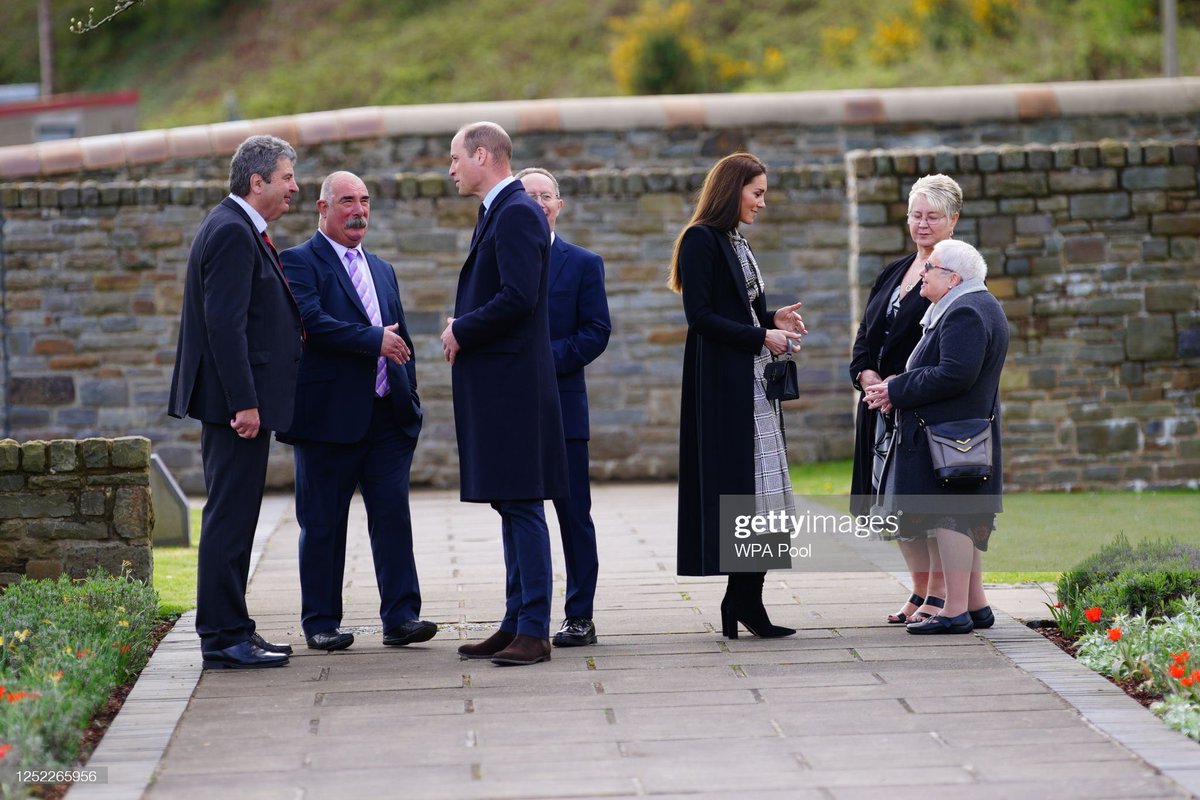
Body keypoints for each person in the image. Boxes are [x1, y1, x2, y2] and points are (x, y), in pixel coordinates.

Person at [278, 171, 437, 652]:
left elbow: (402, 338)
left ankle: (402, 618)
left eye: (364, 200)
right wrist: (373, 340)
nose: (358, 210)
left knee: (393, 519)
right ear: (323, 208)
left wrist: (410, 399)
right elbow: (311, 323)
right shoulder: (298, 262)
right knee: (323, 524)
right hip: (328, 420)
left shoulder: (382, 268)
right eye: (347, 200)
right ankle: (321, 622)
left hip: (387, 418)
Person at [167, 135, 303, 670]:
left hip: (238, 404)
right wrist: (244, 402)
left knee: (239, 515)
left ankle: (234, 628)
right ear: (257, 180)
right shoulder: (230, 231)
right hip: (234, 407)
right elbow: (225, 326)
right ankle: (223, 637)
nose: (295, 187)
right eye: (287, 177)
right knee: (230, 517)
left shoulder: (239, 226)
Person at [441, 122, 569, 666]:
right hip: (499, 386)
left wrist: (462, 329)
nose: (451, 169)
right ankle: (515, 621)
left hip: (514, 388)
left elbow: (519, 297)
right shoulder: (498, 210)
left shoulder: (517, 211)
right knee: (510, 504)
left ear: (482, 155)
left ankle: (534, 631)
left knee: (522, 504)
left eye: (455, 158)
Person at [669, 152, 807, 640]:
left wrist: (771, 320)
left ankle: (745, 599)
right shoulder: (700, 239)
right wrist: (761, 336)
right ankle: (742, 601)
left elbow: (739, 311)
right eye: (757, 192)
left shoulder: (734, 239)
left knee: (765, 495)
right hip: (726, 386)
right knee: (746, 492)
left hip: (751, 381)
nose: (762, 202)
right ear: (733, 190)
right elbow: (701, 318)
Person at [864, 239, 1008, 635]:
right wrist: (900, 384)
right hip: (957, 435)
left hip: (952, 437)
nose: (923, 272)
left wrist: (896, 389)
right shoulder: (971, 304)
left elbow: (954, 374)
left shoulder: (965, 310)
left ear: (954, 278)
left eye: (931, 268)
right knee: (959, 516)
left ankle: (955, 612)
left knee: (952, 518)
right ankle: (976, 607)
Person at [848, 174, 962, 626]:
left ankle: (939, 593)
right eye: (916, 215)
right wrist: (865, 374)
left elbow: (947, 348)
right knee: (891, 502)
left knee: (924, 502)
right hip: (879, 407)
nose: (922, 224)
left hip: (920, 409)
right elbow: (866, 333)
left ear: (953, 220)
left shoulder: (956, 274)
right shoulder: (892, 272)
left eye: (933, 216)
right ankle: (918, 588)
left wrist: (900, 385)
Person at [513, 167, 611, 648]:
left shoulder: (584, 263)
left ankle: (579, 616)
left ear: (559, 205)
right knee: (518, 514)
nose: (537, 203)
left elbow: (596, 331)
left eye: (545, 195)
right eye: (528, 195)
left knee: (574, 517)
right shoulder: (500, 259)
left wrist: (542, 360)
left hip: (564, 408)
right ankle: (520, 617)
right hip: (512, 410)